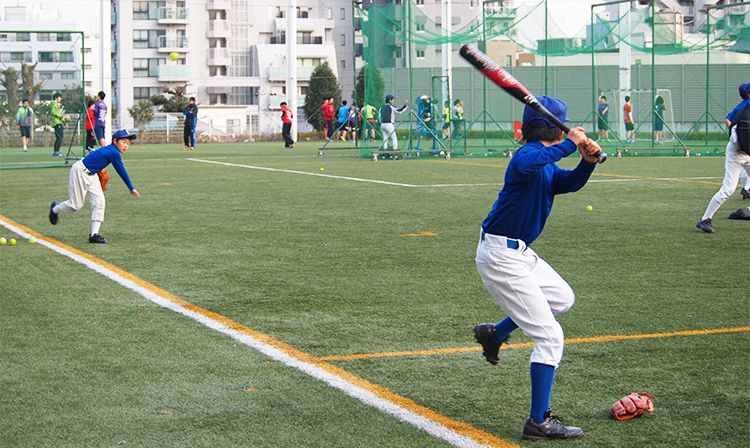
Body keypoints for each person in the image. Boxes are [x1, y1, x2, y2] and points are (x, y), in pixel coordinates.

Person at [473, 96, 601, 441]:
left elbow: (567, 183)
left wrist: (586, 162)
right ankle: (538, 421)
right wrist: (572, 144)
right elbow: (533, 161)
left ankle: (495, 334)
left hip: (519, 253)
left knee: (561, 298)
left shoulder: (544, 162)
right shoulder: (528, 155)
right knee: (550, 336)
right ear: (554, 130)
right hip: (501, 257)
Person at [48, 129, 141, 244]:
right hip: (80, 172)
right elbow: (120, 170)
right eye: (124, 142)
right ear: (115, 141)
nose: (126, 145)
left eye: (128, 143)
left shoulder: (111, 150)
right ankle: (55, 209)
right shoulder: (114, 152)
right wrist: (131, 187)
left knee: (99, 202)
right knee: (75, 206)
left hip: (92, 175)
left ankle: (94, 235)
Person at [696, 82, 750, 232]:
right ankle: (705, 220)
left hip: (746, 150)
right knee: (728, 189)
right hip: (737, 152)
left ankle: (746, 211)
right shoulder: (745, 109)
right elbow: (743, 138)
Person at [50, 92, 66, 157]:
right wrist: (60, 116)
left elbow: (59, 114)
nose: (60, 99)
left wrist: (64, 122)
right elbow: (53, 112)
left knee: (60, 137)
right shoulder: (54, 103)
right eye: (60, 97)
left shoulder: (58, 104)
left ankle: (57, 151)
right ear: (56, 98)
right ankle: (56, 151)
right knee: (59, 137)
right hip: (56, 122)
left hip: (59, 122)